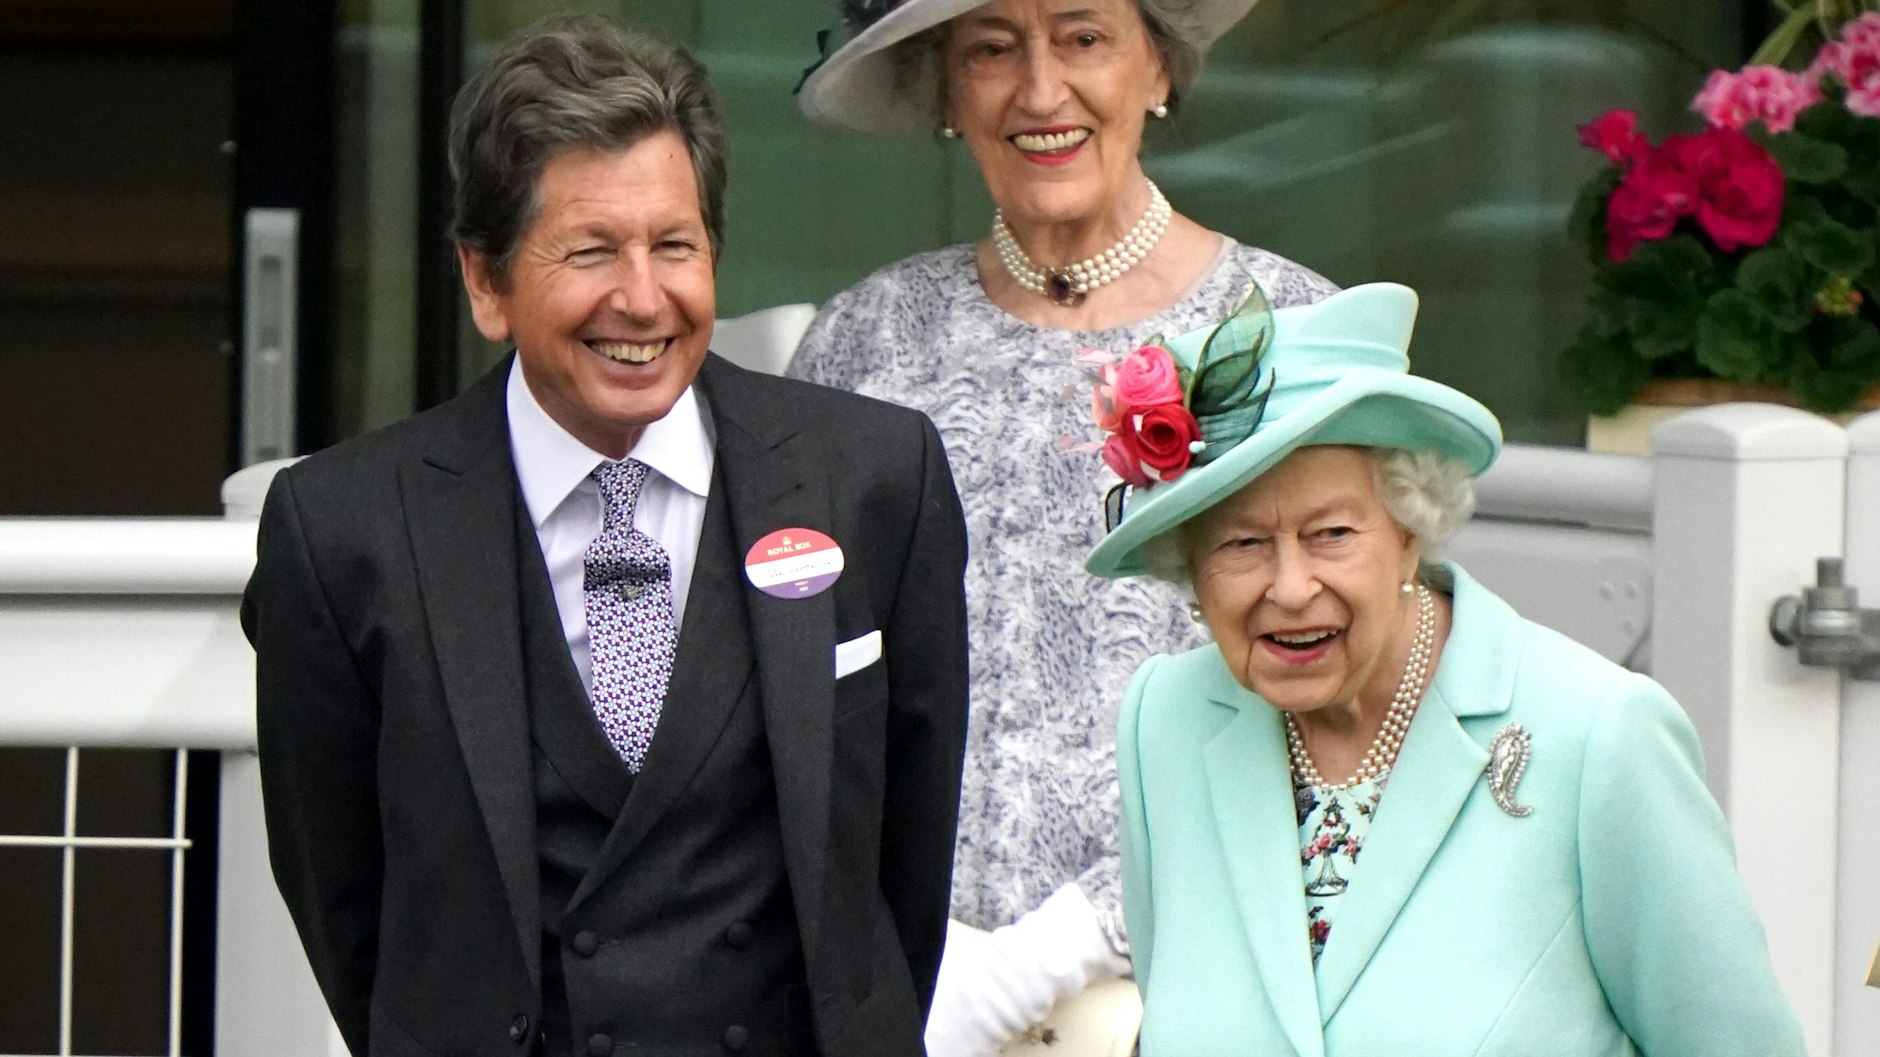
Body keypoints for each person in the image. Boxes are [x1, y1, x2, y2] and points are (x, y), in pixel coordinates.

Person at [243, 16, 969, 1057]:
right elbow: (341, 898)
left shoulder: (872, 480)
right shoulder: (343, 533)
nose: (642, 297)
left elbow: (905, 861)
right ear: (485, 284)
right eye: (590, 251)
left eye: (673, 245)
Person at [792, 2, 1333, 1050]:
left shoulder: (1283, 332)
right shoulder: (864, 340)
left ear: (1158, 70)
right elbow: (792, 682)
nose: (1040, 91)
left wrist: (1062, 946)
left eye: (1082, 36)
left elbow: (1340, 709)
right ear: (946, 92)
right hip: (898, 998)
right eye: (991, 48)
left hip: (1189, 1000)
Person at [1086, 282, 1810, 1055]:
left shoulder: (1597, 734)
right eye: (1240, 544)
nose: (1290, 587)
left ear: (1409, 530)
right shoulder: (1164, 722)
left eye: (1331, 532)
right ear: (1191, 569)